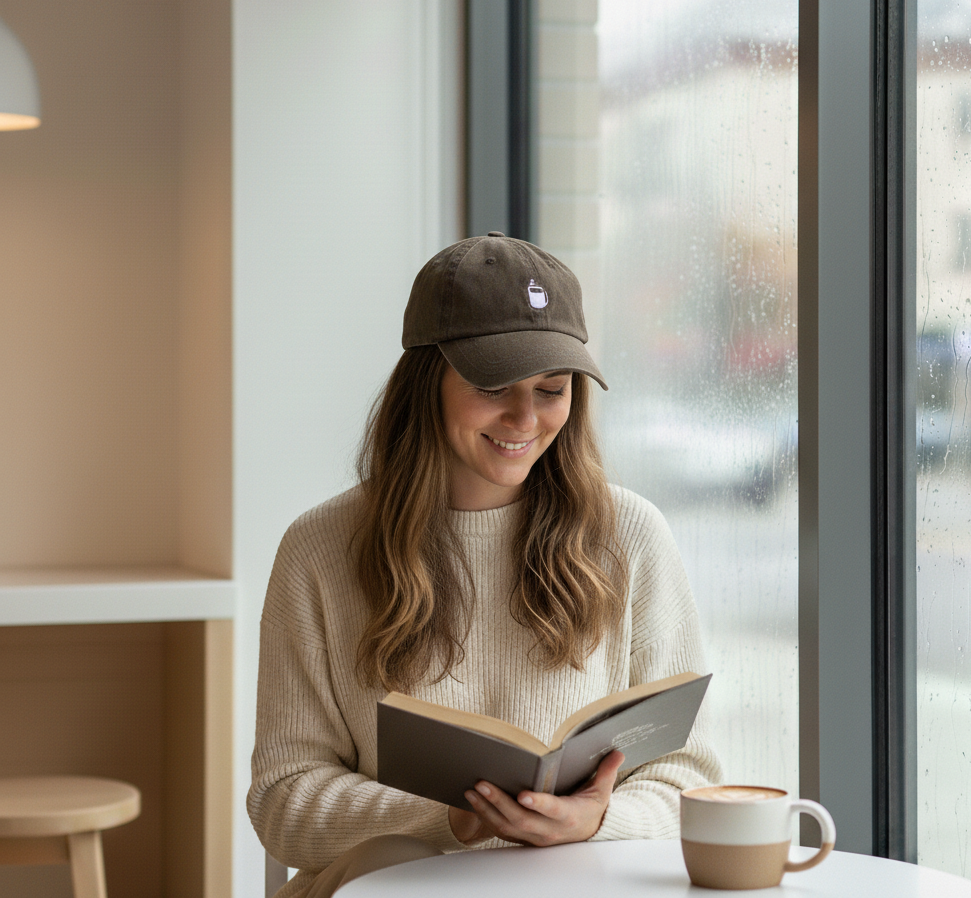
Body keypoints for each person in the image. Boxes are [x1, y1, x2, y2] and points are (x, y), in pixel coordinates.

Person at [248, 232, 722, 897]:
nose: (525, 417)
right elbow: (284, 801)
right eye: (493, 385)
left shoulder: (632, 537)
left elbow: (691, 776)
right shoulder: (321, 549)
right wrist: (448, 819)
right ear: (426, 383)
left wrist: (596, 819)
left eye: (552, 389)